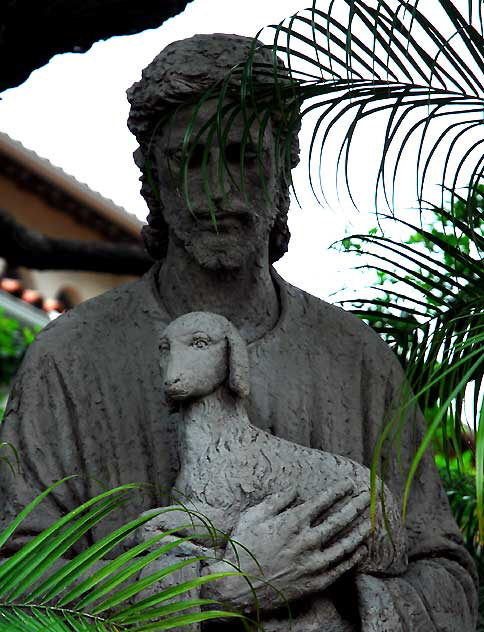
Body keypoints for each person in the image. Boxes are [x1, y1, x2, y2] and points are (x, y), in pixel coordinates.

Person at [0, 34, 477, 630]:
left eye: (243, 156)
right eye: (188, 160)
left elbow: (449, 582)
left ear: (284, 167)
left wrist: (337, 596)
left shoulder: (359, 361)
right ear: (152, 173)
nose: (216, 191)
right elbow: (15, 582)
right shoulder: (69, 360)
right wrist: (219, 587)